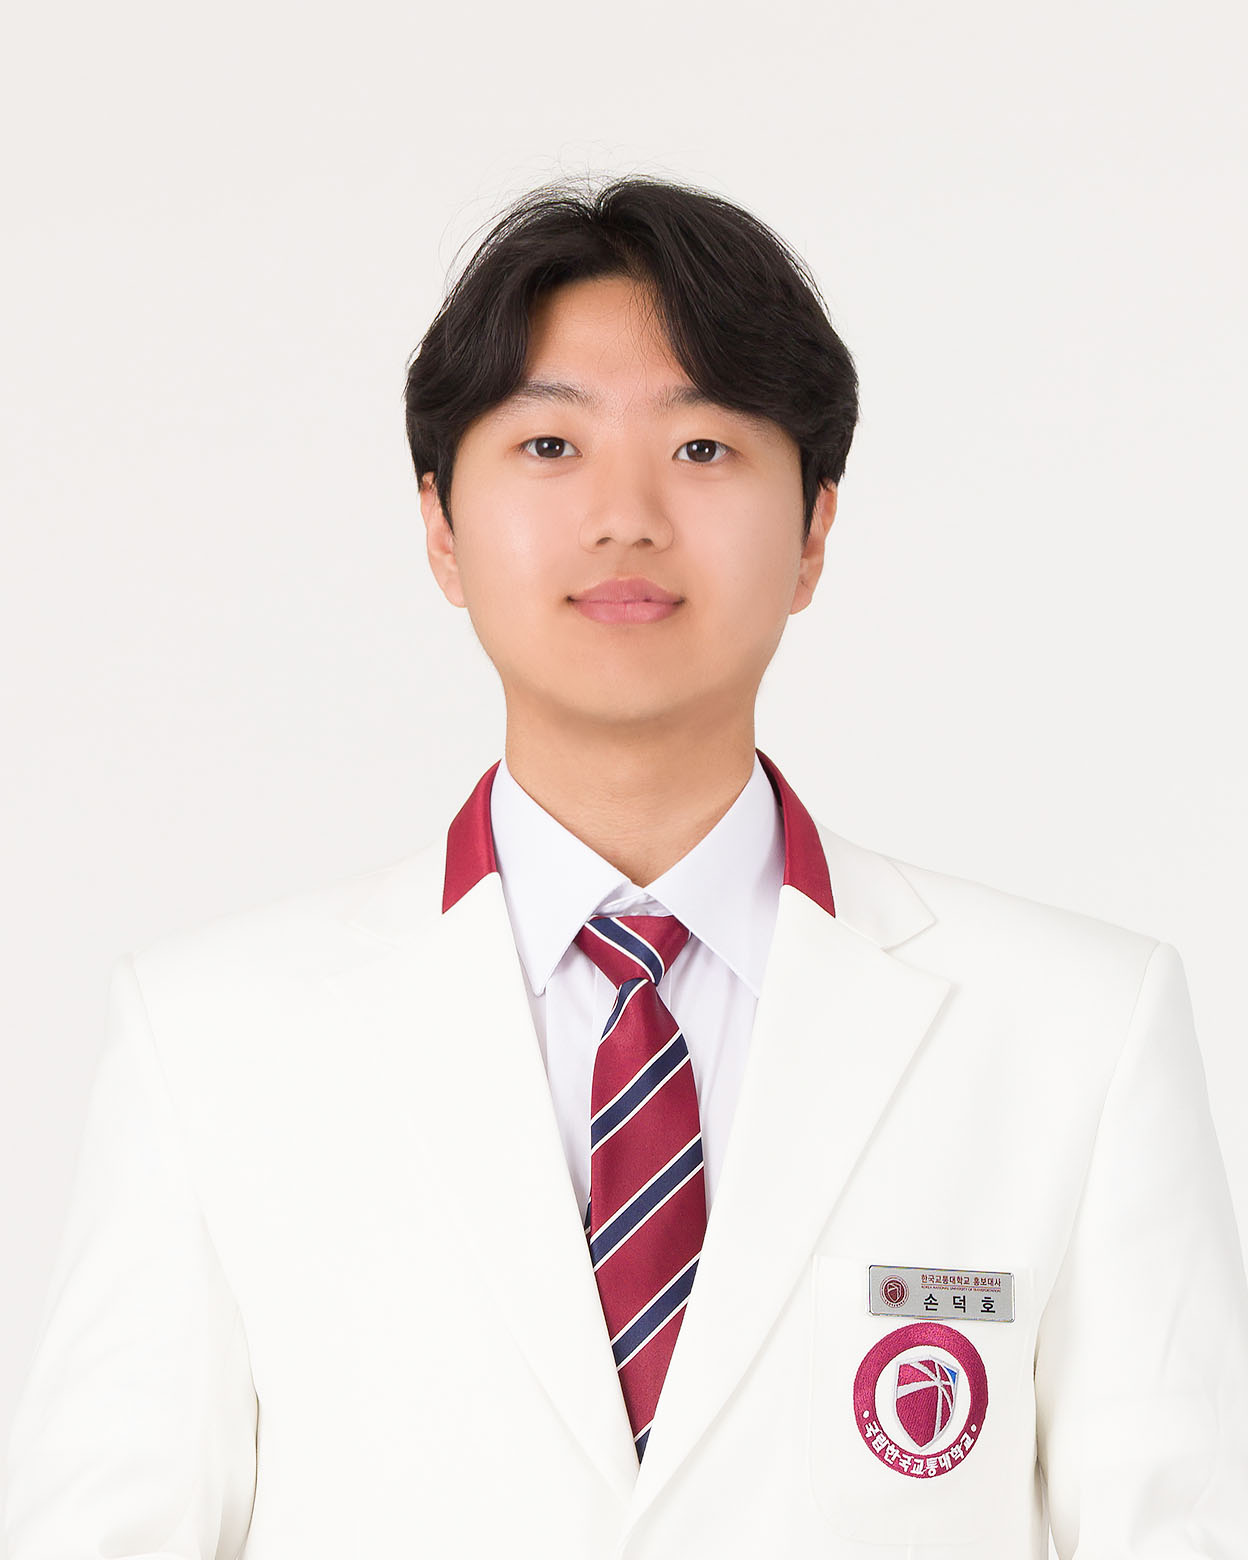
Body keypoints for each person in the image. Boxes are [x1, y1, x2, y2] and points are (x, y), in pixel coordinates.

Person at [4, 174, 1246, 1559]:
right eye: (549, 445)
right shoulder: (213, 1040)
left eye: (704, 447)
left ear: (814, 533)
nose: (627, 516)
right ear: (440, 529)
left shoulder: (1078, 1029)